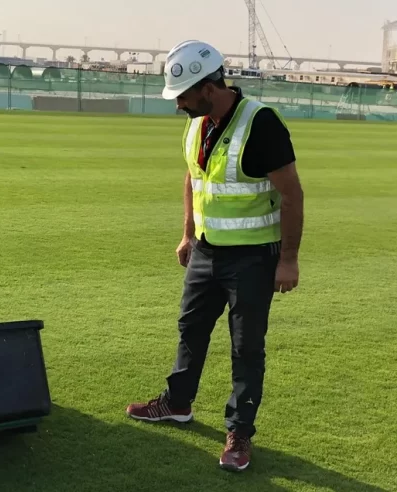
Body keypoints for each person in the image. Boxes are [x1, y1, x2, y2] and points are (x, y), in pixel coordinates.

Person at [125, 40, 304, 472]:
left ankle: (240, 432)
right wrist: (188, 235)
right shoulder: (196, 122)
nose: (178, 105)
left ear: (208, 86)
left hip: (253, 258)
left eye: (183, 95)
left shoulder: (261, 123)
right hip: (206, 250)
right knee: (191, 327)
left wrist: (289, 260)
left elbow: (292, 194)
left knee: (245, 347)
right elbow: (194, 178)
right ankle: (178, 403)